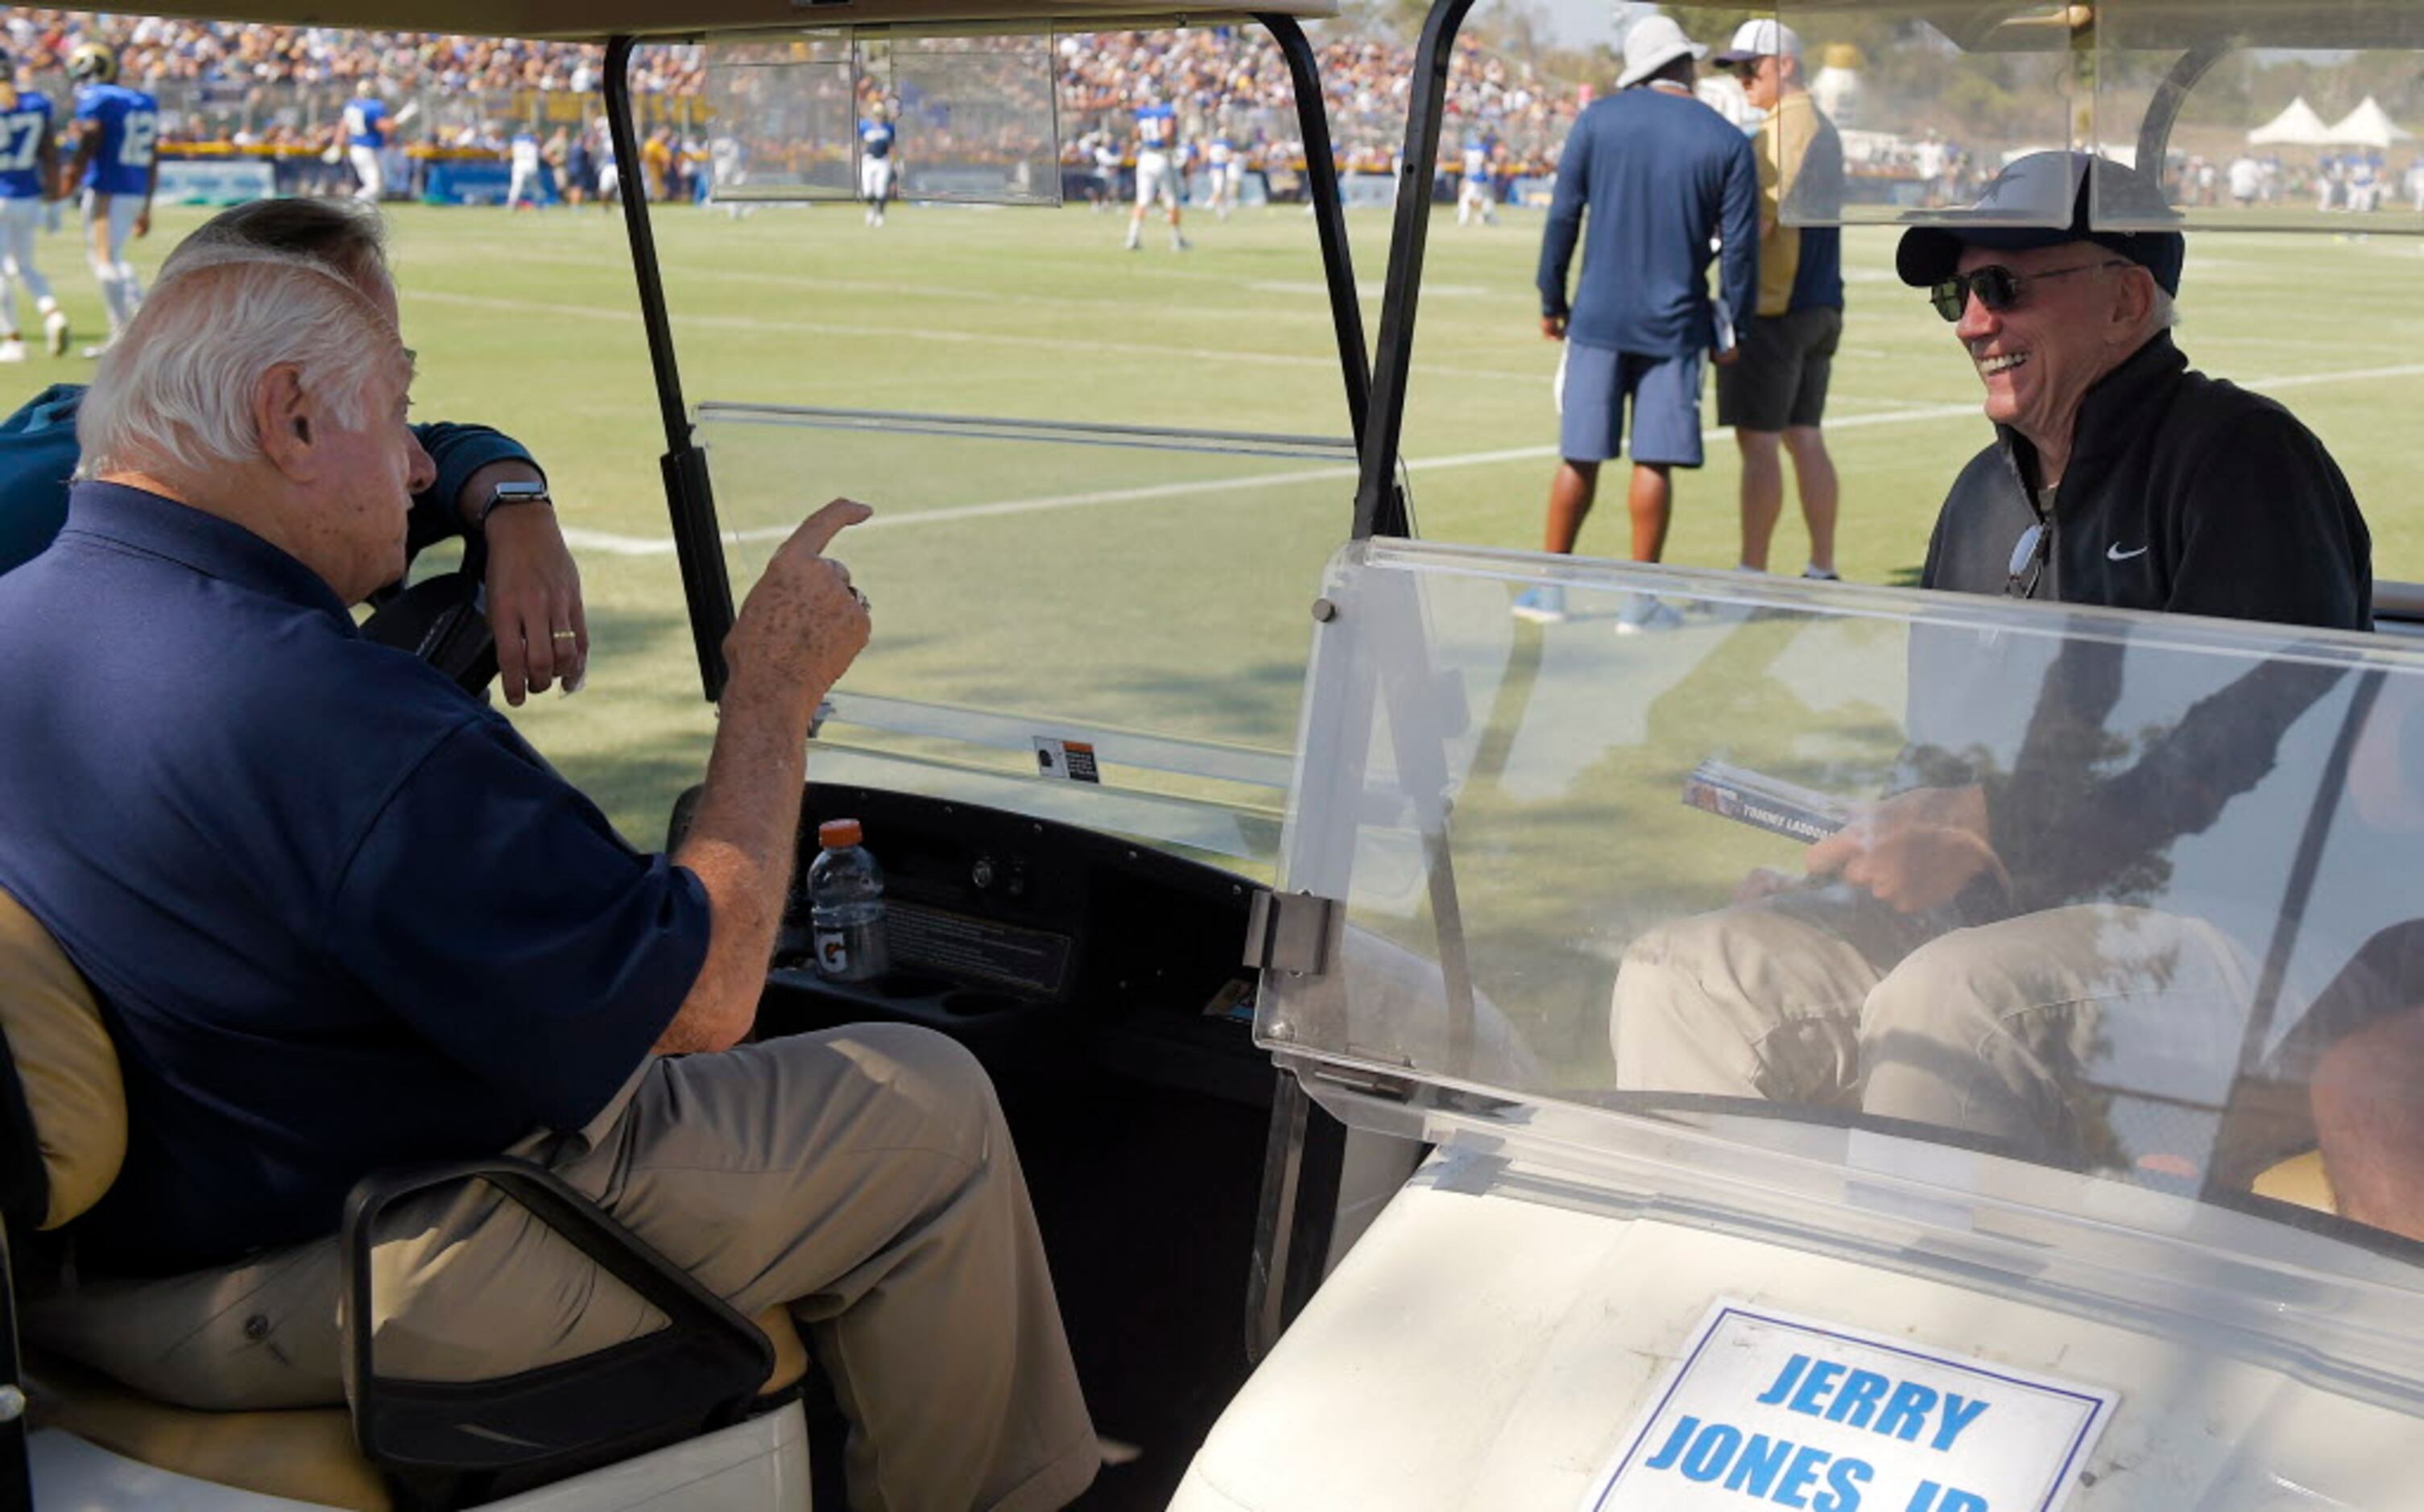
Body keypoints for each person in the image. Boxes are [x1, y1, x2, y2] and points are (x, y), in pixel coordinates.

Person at [0, 217, 1100, 1512]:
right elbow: (700, 997)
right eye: (398, 419)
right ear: (289, 418)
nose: (418, 469)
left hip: (105, 1275)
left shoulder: (32, 617)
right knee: (927, 1101)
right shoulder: (325, 713)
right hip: (369, 1261)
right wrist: (770, 693)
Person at [1609, 152, 2372, 1165]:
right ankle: (1721, 1302)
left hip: (2232, 931)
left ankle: (1918, 1314)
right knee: (1697, 970)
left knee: (1959, 1000)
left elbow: (2258, 760)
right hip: (2005, 920)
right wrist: (1865, 861)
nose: (1972, 322)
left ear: (2126, 297)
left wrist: (1992, 830)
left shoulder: (2240, 461)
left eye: (2002, 287)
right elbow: (1940, 760)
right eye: (1956, 294)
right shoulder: (1981, 497)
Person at [0, 199, 587, 707]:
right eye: (357, 351)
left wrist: (517, 504)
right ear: (288, 407)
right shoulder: (40, 514)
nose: (415, 468)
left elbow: (435, 448)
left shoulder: (166, 442)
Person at [1517, 14, 1756, 632]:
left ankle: (1550, 593)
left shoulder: (1597, 120)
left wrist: (1552, 300)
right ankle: (1637, 602)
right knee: (1654, 459)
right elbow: (1740, 250)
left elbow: (1563, 219)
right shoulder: (1727, 140)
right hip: (1676, 324)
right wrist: (1736, 326)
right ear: (1684, 65)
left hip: (1597, 316)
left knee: (1579, 456)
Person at [1711, 20, 1844, 583]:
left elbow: (1757, 222)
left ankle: (1752, 572)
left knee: (1759, 441)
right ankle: (1821, 565)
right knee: (1802, 435)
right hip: (1817, 302)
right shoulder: (1813, 123)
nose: (1742, 78)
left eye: (1752, 66)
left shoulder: (1784, 127)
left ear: (1784, 65)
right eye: (1737, 67)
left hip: (1776, 308)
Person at [61, 42, 155, 360]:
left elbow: (90, 136)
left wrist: (72, 172)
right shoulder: (143, 100)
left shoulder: (97, 98)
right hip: (135, 187)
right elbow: (153, 156)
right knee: (113, 256)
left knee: (103, 259)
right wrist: (147, 204)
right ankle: (141, 323)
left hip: (108, 190)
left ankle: (125, 336)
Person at [0, 48, 68, 361]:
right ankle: (51, 313)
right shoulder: (36, 104)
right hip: (28, 196)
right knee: (25, 266)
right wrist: (54, 199)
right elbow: (50, 155)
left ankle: (12, 339)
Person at [1126, 91, 1188, 253]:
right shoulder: (1166, 111)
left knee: (1143, 200)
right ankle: (1177, 240)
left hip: (1144, 157)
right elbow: (1167, 132)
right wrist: (1170, 144)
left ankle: (1132, 237)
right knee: (1171, 200)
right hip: (1160, 156)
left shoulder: (1142, 112)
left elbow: (1135, 134)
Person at [858, 102, 896, 229]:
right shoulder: (864, 126)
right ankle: (871, 208)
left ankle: (880, 214)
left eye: (880, 114)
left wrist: (895, 161)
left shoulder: (889, 128)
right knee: (868, 190)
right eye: (876, 114)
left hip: (883, 161)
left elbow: (892, 146)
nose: (878, 117)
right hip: (868, 160)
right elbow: (860, 142)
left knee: (880, 190)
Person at [1455, 131, 1497, 226]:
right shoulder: (1484, 148)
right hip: (1479, 177)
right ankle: (1485, 218)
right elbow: (1484, 162)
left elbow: (1463, 163)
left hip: (1472, 177)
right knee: (1484, 198)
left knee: (1469, 199)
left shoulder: (1468, 149)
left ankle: (1466, 219)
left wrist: (1464, 176)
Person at [507, 122, 545, 209]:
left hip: (518, 164)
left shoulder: (516, 139)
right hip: (530, 164)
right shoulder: (533, 140)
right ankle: (539, 204)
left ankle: (511, 204)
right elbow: (539, 148)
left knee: (516, 186)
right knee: (535, 186)